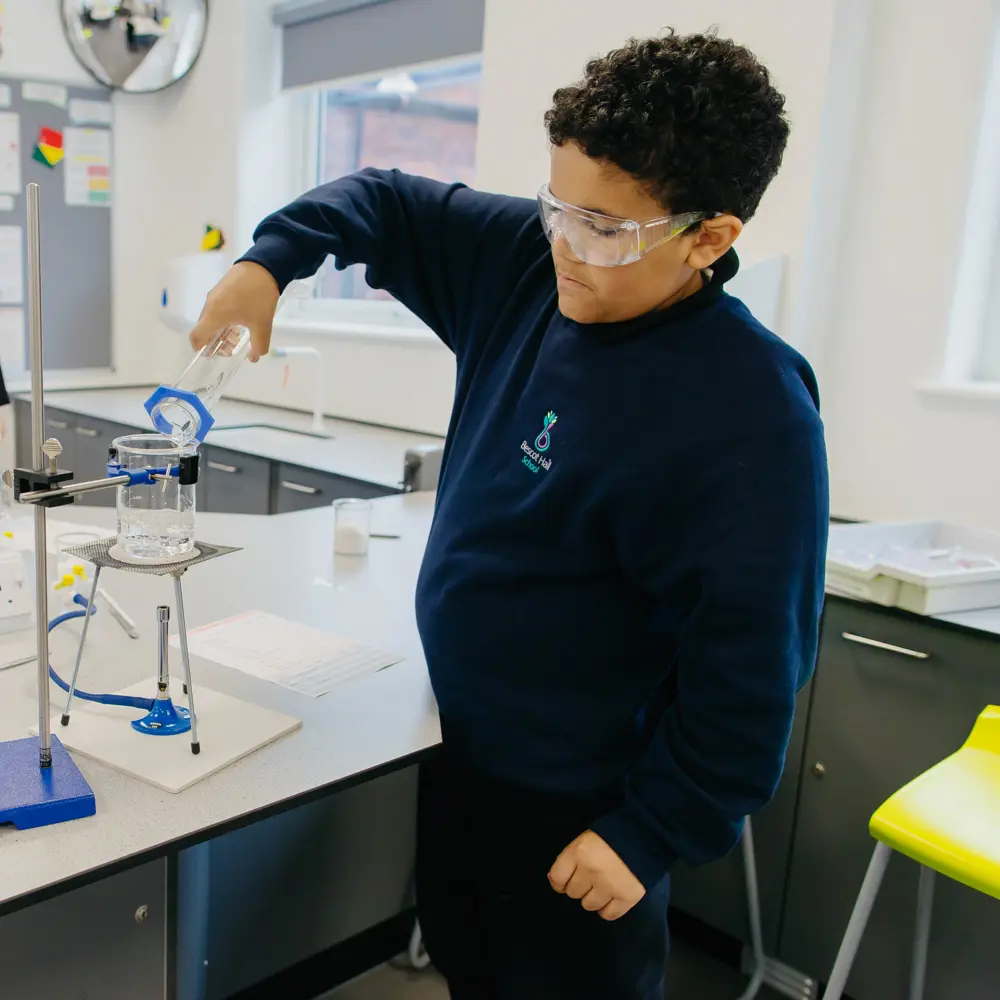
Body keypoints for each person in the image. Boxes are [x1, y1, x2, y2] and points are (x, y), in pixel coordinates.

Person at [191, 29, 828, 1000]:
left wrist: (652, 830)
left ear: (709, 237)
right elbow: (383, 200)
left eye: (604, 229)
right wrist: (267, 265)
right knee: (471, 968)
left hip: (586, 805)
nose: (566, 246)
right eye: (556, 207)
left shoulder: (751, 408)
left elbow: (755, 661)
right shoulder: (531, 264)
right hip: (462, 753)